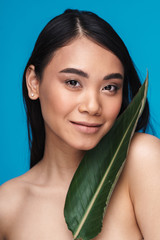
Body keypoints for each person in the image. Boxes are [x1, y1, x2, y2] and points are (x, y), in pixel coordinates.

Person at [0, 9, 160, 240]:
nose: (93, 106)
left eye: (109, 87)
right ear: (34, 83)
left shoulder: (142, 159)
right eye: (73, 82)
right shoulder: (7, 207)